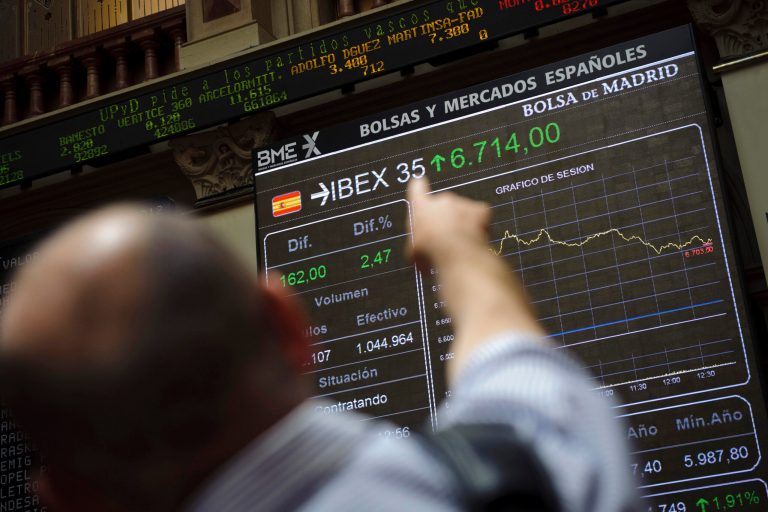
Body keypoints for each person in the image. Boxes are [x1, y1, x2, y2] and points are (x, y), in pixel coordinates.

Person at [0, 179, 636, 511]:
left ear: (72, 496)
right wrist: (455, 246)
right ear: (289, 323)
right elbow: (515, 365)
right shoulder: (540, 468)